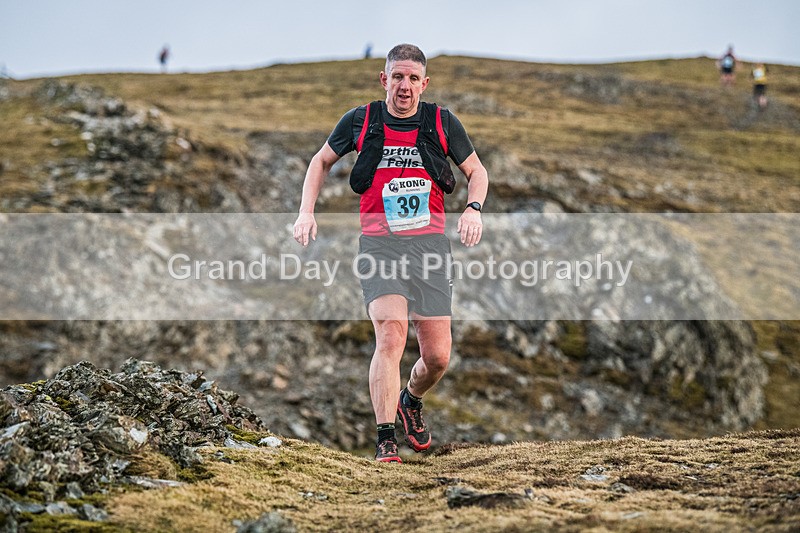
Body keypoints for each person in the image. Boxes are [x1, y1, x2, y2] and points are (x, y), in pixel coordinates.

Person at [293, 43, 488, 463]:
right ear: (384, 79)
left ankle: (410, 399)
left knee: (436, 357)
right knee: (391, 333)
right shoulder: (361, 120)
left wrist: (473, 209)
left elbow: (477, 171)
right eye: (397, 77)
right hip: (380, 245)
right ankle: (385, 438)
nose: (404, 86)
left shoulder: (442, 122)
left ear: (424, 83)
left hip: (430, 248)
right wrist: (306, 212)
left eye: (413, 78)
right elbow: (320, 161)